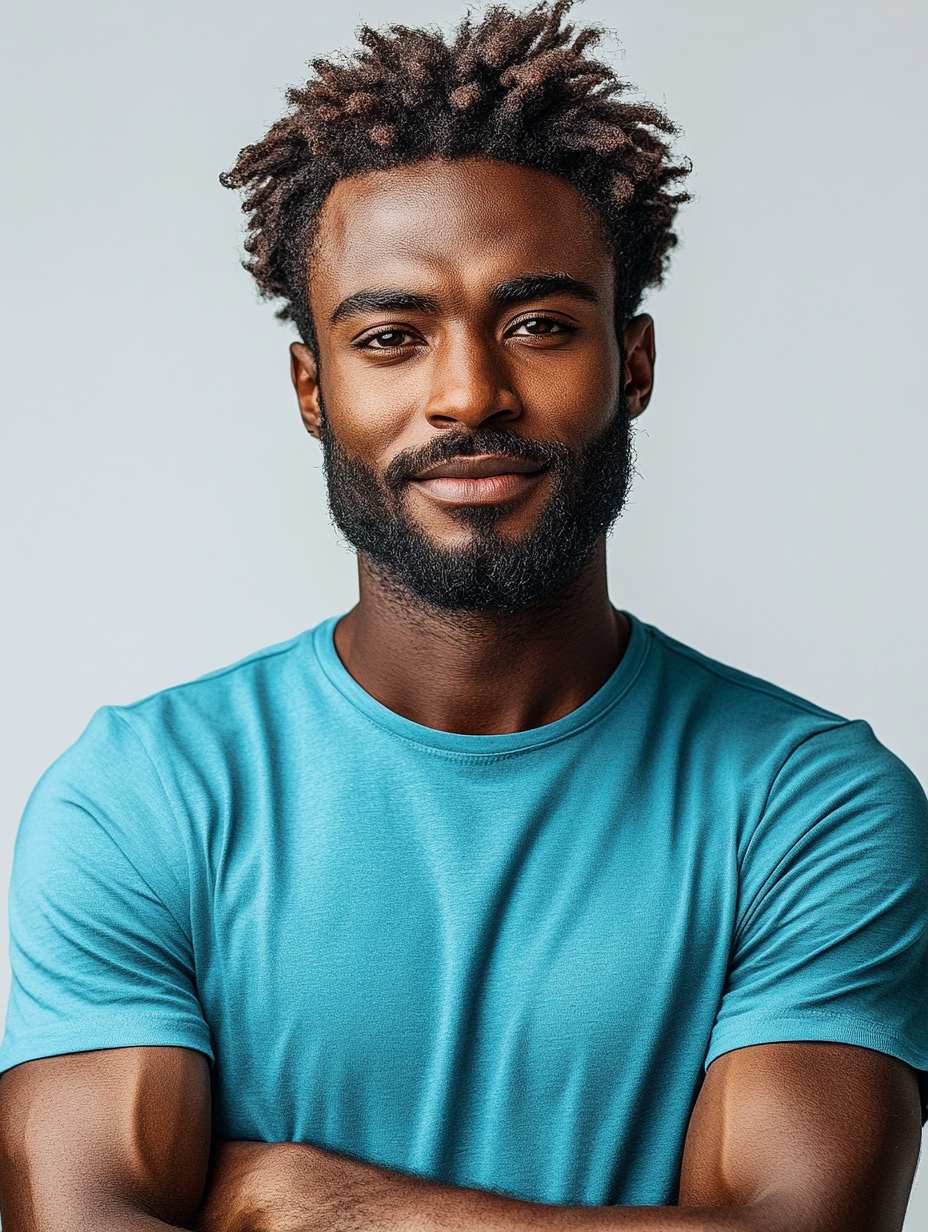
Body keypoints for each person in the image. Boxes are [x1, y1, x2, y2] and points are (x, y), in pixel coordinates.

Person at [1, 4, 926, 1230]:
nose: (467, 391)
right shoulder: (146, 796)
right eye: (390, 336)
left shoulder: (808, 804)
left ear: (632, 362)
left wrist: (318, 1199)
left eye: (537, 324)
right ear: (311, 388)